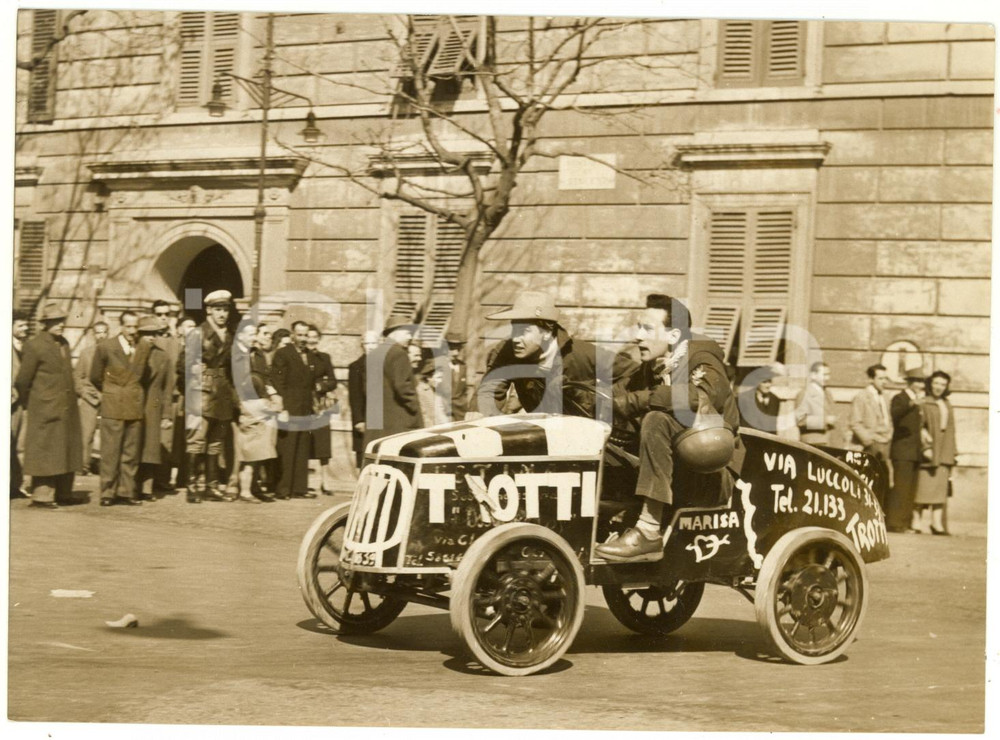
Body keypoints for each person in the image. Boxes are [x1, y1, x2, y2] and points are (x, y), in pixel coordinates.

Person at [595, 295, 742, 562]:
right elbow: (616, 395)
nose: (638, 336)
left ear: (674, 335)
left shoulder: (702, 358)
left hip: (712, 473)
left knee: (656, 420)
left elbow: (704, 397)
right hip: (679, 471)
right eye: (638, 327)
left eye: (648, 329)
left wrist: (639, 401)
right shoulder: (651, 368)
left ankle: (648, 532)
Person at [473, 291, 635, 418]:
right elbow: (489, 391)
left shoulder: (581, 354)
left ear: (546, 331)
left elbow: (634, 374)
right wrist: (478, 418)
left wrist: (602, 402)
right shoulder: (509, 352)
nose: (515, 339)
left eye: (524, 331)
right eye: (514, 330)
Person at [14, 302, 83, 508]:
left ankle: (64, 493)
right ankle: (42, 496)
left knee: (65, 450)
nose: (61, 325)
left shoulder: (64, 343)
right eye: (56, 321)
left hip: (66, 407)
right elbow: (22, 380)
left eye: (62, 321)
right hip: (44, 407)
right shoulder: (34, 345)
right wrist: (33, 402)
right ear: (46, 323)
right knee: (45, 451)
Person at [177, 291, 237, 503]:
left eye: (226, 310)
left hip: (221, 394)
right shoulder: (198, 333)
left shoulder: (229, 336)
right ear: (209, 310)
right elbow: (183, 365)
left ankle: (211, 486)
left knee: (215, 443)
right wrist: (196, 383)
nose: (222, 314)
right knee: (196, 441)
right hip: (201, 394)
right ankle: (193, 486)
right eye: (218, 309)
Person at [91, 310, 149, 506]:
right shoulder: (106, 347)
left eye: (135, 327)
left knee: (131, 453)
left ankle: (126, 492)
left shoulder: (143, 347)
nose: (132, 331)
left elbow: (144, 377)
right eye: (129, 326)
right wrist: (112, 392)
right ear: (121, 326)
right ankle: (108, 492)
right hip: (113, 406)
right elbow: (95, 376)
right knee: (110, 452)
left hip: (134, 405)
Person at [231, 320, 278, 503]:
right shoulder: (236, 356)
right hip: (244, 406)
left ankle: (252, 487)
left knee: (258, 450)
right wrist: (240, 404)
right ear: (240, 336)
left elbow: (265, 378)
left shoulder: (258, 355)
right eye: (250, 334)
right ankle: (239, 488)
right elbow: (233, 382)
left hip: (259, 405)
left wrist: (271, 396)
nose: (254, 338)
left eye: (254, 334)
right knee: (245, 451)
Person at [271, 321, 319, 499]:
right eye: (299, 335)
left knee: (302, 448)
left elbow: (313, 380)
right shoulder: (283, 354)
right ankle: (283, 489)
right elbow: (277, 380)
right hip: (290, 407)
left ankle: (300, 488)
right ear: (292, 335)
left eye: (306, 335)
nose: (303, 339)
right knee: (288, 448)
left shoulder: (311, 356)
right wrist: (282, 406)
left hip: (306, 407)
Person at [362, 316, 423, 448]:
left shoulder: (373, 354)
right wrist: (415, 408)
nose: (410, 337)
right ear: (396, 331)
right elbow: (404, 387)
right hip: (398, 422)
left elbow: (366, 390)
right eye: (407, 332)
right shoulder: (399, 354)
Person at [912, 371, 957, 535]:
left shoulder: (947, 404)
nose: (939, 387)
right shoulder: (924, 403)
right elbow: (919, 428)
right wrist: (925, 448)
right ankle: (916, 522)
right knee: (922, 489)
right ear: (930, 384)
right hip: (931, 450)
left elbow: (952, 429)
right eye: (936, 383)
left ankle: (936, 524)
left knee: (940, 490)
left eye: (943, 384)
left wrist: (953, 452)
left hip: (945, 450)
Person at [136, 316, 173, 500]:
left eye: (154, 334)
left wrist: (167, 415)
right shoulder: (132, 354)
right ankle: (129, 486)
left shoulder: (163, 356)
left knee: (150, 449)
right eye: (146, 334)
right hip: (133, 405)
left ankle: (146, 488)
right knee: (132, 447)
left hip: (153, 406)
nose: (151, 337)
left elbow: (167, 388)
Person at [886, 370, 926, 533]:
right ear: (909, 382)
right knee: (901, 489)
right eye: (917, 381)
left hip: (914, 452)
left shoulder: (918, 401)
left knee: (910, 490)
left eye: (922, 382)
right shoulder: (900, 398)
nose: (921, 385)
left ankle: (906, 523)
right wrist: (911, 404)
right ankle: (895, 523)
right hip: (902, 451)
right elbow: (894, 415)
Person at [849, 363, 893, 498]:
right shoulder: (861, 397)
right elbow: (855, 422)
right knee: (868, 483)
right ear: (870, 379)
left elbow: (888, 419)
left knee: (884, 483)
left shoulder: (885, 397)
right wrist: (869, 441)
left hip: (885, 444)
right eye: (880, 379)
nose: (884, 382)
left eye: (886, 378)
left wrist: (889, 435)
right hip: (870, 445)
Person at [74, 320, 109, 477]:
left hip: (109, 399)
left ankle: (106, 466)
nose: (101, 335)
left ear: (108, 333)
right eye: (98, 332)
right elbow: (77, 377)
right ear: (94, 335)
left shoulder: (114, 352)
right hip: (89, 399)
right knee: (86, 434)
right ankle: (83, 465)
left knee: (108, 434)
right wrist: (84, 393)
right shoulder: (86, 353)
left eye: (104, 332)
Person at [306, 324, 338, 495]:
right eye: (308, 336)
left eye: (314, 337)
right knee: (304, 443)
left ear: (318, 339)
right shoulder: (301, 356)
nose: (311, 340)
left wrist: (320, 386)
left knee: (323, 444)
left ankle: (324, 482)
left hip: (319, 405)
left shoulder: (324, 358)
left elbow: (333, 380)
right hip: (303, 404)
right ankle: (304, 482)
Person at [170, 314, 197, 494]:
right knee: (172, 439)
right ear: (179, 329)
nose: (191, 330)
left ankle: (184, 476)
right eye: (188, 326)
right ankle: (167, 477)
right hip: (171, 398)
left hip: (186, 399)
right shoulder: (171, 346)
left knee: (186, 437)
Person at [347, 330, 379, 468]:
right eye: (367, 343)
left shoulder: (385, 364)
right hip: (364, 418)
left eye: (374, 343)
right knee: (364, 454)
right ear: (362, 345)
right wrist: (359, 420)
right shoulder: (356, 367)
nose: (370, 346)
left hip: (381, 417)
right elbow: (354, 396)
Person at [10, 310, 31, 498]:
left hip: (25, 405)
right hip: (10, 404)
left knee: (21, 447)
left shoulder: (27, 347)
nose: (25, 328)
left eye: (26, 325)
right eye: (20, 325)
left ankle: (17, 485)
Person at [795, 361, 837, 445]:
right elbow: (800, 420)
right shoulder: (804, 394)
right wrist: (824, 420)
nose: (827, 378)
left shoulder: (828, 393)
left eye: (828, 374)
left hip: (828, 441)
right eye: (824, 375)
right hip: (813, 442)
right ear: (813, 375)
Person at [738, 367, 780, 434]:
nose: (768, 385)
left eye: (770, 381)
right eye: (764, 382)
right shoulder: (745, 398)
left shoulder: (775, 399)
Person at [445, 329, 469, 421]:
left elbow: (465, 391)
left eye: (458, 349)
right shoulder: (437, 366)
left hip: (460, 413)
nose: (455, 353)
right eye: (451, 349)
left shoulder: (463, 366)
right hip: (443, 412)